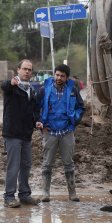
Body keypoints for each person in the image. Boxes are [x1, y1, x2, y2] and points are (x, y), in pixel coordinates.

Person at [37, 64, 85, 202]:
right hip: (49, 132)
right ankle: (45, 193)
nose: (59, 78)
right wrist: (40, 123)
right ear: (54, 74)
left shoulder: (73, 91)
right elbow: (35, 108)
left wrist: (74, 121)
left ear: (67, 77)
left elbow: (81, 108)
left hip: (67, 132)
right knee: (47, 164)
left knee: (69, 163)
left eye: (62, 76)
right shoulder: (43, 90)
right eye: (57, 75)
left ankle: (72, 193)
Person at [1, 59, 41, 208]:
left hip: (26, 134)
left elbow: (33, 111)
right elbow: (4, 85)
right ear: (18, 70)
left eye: (29, 70)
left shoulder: (31, 89)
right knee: (13, 166)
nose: (27, 72)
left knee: (26, 165)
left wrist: (36, 121)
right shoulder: (12, 87)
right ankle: (9, 197)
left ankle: (24, 194)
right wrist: (11, 83)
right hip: (12, 134)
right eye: (24, 69)